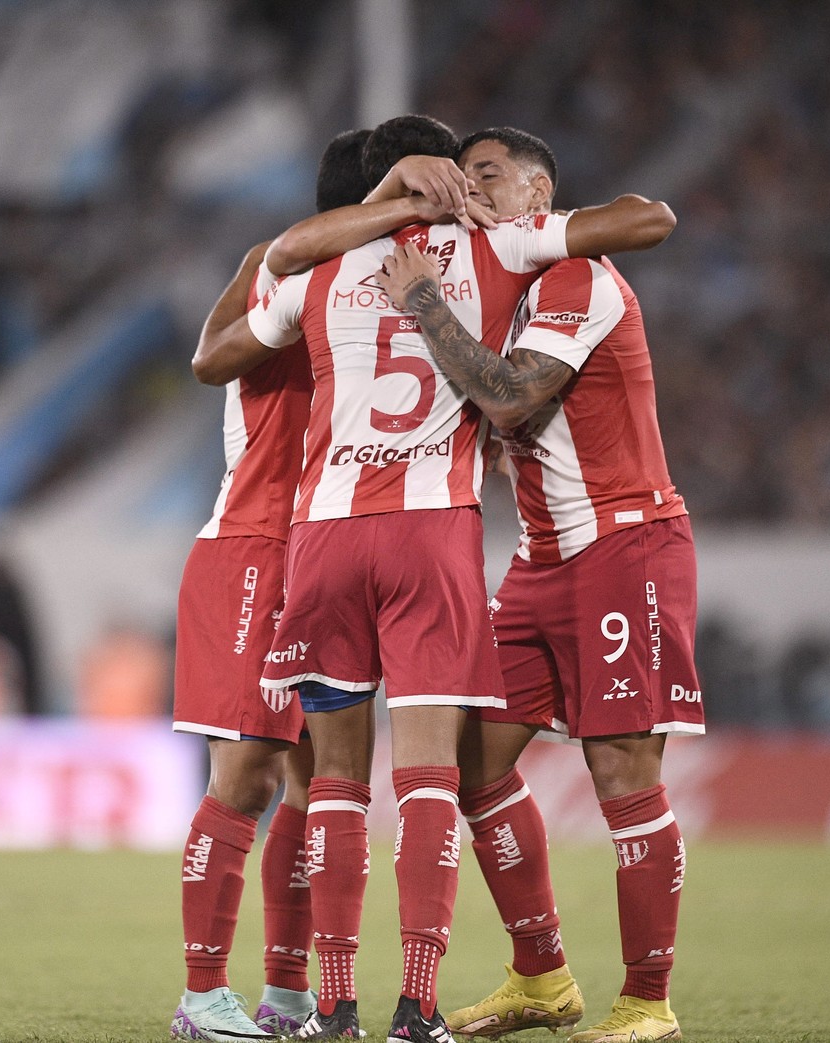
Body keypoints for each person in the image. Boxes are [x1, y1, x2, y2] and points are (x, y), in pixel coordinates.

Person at [195, 114, 652, 1043]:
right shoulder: (496, 243)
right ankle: (415, 1006)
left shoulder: (314, 263)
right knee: (430, 778)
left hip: (321, 534)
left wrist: (380, 205)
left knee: (328, 783)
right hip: (430, 534)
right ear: (443, 176)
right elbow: (643, 220)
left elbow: (251, 297)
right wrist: (488, 209)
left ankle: (327, 1005)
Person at [373, 127, 698, 1043]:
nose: (467, 189)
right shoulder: (501, 293)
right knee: (471, 764)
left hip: (624, 545)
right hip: (542, 559)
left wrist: (426, 308)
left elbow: (511, 398)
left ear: (536, 195)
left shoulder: (576, 277)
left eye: (485, 174)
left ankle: (647, 1001)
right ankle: (541, 977)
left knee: (622, 771)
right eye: (458, 176)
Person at [173, 127, 462, 1043]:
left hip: (327, 548)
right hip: (258, 542)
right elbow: (211, 353)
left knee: (310, 784)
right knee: (249, 770)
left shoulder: (396, 282)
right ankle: (199, 995)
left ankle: (289, 994)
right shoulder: (289, 268)